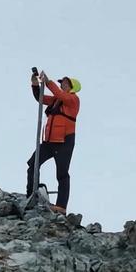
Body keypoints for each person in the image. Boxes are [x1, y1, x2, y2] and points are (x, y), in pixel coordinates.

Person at [27, 70, 81, 215]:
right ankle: (30, 195)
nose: (62, 84)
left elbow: (60, 94)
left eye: (65, 82)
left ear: (72, 87)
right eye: (61, 82)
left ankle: (61, 206)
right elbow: (41, 98)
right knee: (33, 163)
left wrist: (49, 82)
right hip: (50, 141)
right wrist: (35, 84)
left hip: (64, 140)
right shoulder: (57, 100)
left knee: (62, 174)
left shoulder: (73, 100)